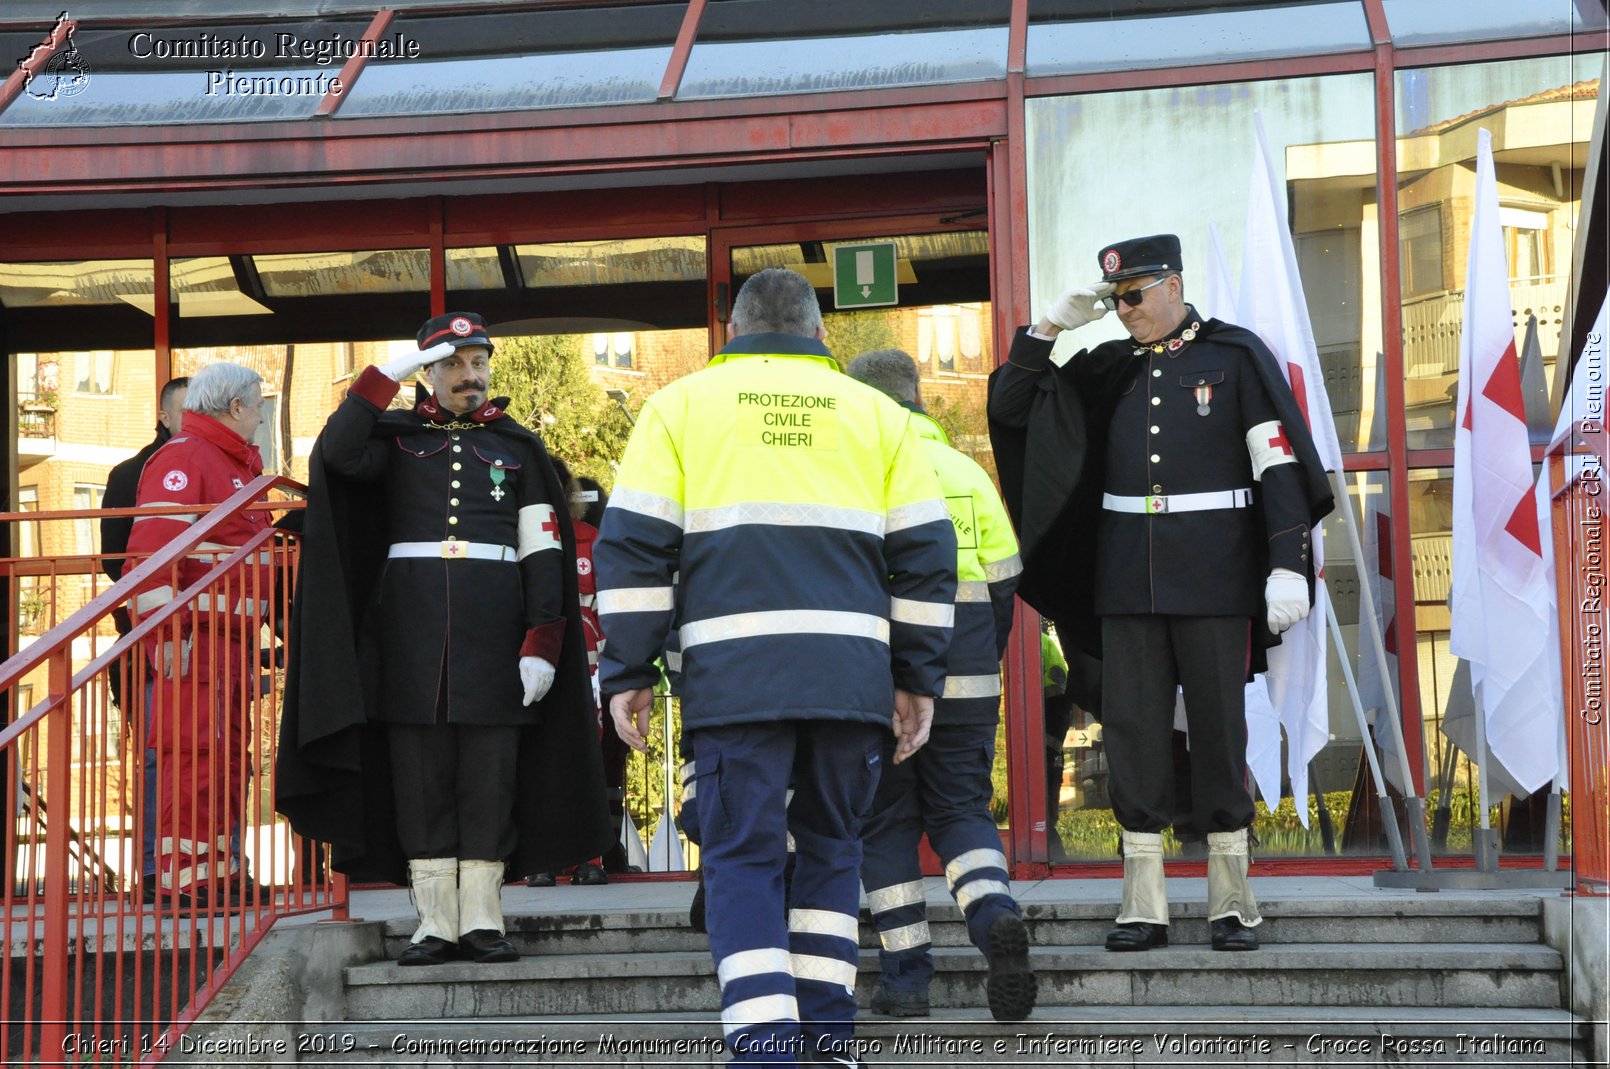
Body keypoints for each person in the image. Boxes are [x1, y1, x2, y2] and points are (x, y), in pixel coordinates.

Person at [595, 269, 957, 1068]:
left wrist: (628, 671)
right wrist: (916, 678)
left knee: (743, 859)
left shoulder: (679, 409)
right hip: (849, 682)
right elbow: (930, 559)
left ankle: (765, 1051)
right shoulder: (876, 415)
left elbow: (631, 549)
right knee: (833, 852)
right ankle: (828, 1045)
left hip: (734, 685)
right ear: (821, 334)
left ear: (732, 329)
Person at [987, 234, 1332, 953]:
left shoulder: (1233, 358)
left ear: (1173, 286)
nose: (1125, 311)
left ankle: (1232, 901)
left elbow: (1277, 466)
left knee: (1218, 730)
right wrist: (1047, 328)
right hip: (1125, 581)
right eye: (1115, 300)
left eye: (1135, 296)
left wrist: (1287, 562)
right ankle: (1142, 904)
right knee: (1133, 737)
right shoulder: (1107, 367)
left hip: (1213, 577)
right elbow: (1013, 408)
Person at [276, 312, 611, 966]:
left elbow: (544, 549)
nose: (471, 375)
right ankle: (434, 922)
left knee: (490, 781)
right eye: (456, 364)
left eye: (478, 362)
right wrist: (388, 372)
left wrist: (542, 641)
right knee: (420, 783)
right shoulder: (396, 437)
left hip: (496, 640)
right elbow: (336, 455)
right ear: (429, 373)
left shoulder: (518, 449)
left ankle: (484, 918)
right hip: (408, 640)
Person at [845, 348, 1034, 1023]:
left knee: (884, 819)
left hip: (884, 680)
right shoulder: (967, 473)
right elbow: (1008, 581)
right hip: (971, 671)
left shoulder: (858, 471)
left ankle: (906, 978)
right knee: (962, 811)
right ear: (919, 396)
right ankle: (995, 916)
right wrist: (979, 657)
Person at [125, 363, 268, 908]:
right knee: (194, 760)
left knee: (228, 761)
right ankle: (186, 879)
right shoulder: (186, 457)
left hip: (228, 645)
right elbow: (152, 555)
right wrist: (165, 636)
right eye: (258, 406)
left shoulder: (233, 465)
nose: (260, 417)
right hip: (194, 643)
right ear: (235, 407)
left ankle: (220, 872)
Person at [99, 375, 188, 904]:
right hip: (148, 642)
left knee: (216, 755)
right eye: (189, 409)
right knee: (159, 756)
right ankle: (157, 869)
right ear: (163, 416)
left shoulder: (227, 465)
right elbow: (116, 562)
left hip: (212, 642)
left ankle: (213, 865)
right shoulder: (131, 473)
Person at [526, 460, 611, 888]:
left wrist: (603, 672)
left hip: (585, 675)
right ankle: (540, 857)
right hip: (529, 671)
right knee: (534, 761)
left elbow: (606, 614)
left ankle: (588, 857)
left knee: (585, 762)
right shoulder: (517, 542)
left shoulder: (591, 541)